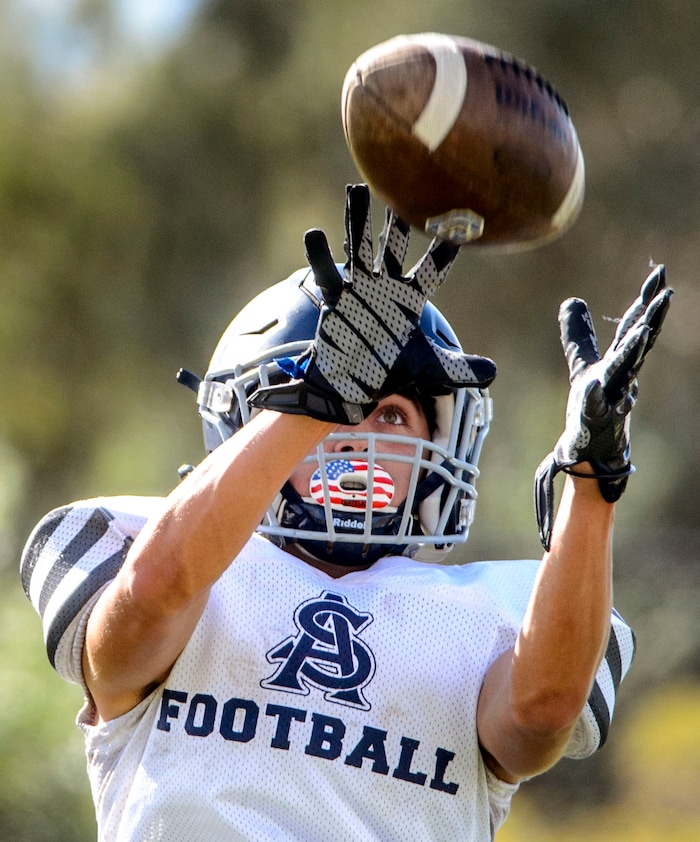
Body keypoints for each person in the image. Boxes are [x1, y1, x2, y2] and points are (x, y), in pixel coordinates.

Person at [21, 184, 671, 841]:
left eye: (391, 414)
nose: (358, 439)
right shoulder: (151, 554)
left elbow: (542, 713)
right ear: (245, 424)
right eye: (341, 406)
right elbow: (152, 596)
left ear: (437, 447)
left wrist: (591, 484)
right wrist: (319, 395)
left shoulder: (488, 613)